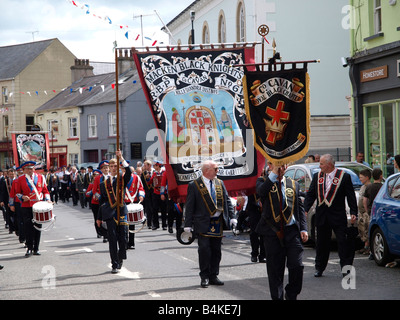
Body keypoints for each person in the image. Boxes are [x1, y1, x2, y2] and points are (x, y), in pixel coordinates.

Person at [256, 162, 308, 300]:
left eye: (284, 166)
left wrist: (303, 228)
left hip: (292, 231)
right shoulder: (263, 182)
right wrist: (273, 174)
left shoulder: (293, 184)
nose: (282, 169)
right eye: (279, 165)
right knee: (275, 271)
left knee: (297, 266)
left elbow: (299, 208)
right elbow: (261, 193)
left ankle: (291, 294)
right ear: (270, 165)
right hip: (272, 232)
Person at [184, 160, 237, 288]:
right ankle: (204, 276)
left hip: (217, 222)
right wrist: (187, 224)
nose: (218, 171)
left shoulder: (220, 183)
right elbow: (190, 206)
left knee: (216, 251)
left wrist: (232, 217)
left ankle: (214, 275)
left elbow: (227, 201)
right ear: (207, 170)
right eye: (216, 169)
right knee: (204, 250)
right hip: (202, 223)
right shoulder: (194, 185)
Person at [304, 154, 357, 277]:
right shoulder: (317, 176)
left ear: (329, 164)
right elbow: (311, 194)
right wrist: (305, 209)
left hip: (338, 216)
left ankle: (346, 269)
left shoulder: (344, 177)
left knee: (343, 243)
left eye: (322, 164)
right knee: (321, 244)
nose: (319, 166)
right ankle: (319, 268)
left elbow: (350, 196)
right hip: (322, 216)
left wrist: (354, 212)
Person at [96, 151, 132, 274]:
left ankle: (120, 257)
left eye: (115, 166)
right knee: (112, 239)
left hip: (121, 211)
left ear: (119, 167)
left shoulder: (123, 179)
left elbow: (129, 172)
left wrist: (121, 157)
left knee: (123, 239)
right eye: (111, 166)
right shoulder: (104, 184)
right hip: (109, 214)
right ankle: (114, 264)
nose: (113, 168)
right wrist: (99, 217)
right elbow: (102, 201)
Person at [11, 161, 51, 257]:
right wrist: (22, 197)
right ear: (24, 170)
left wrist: (48, 199)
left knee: (38, 227)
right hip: (26, 206)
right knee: (28, 227)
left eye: (31, 168)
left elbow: (45, 190)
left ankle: (36, 248)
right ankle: (29, 247)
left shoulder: (41, 177)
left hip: (38, 206)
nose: (30, 170)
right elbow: (17, 193)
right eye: (28, 169)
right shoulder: (20, 179)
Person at [357, 169, 371, 255]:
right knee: (362, 229)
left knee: (366, 229)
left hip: (366, 212)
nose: (360, 179)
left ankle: (367, 247)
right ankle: (365, 246)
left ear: (367, 177)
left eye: (361, 177)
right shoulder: (362, 187)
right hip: (361, 212)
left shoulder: (369, 187)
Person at [150, 160, 167, 230]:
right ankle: (155, 224)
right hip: (156, 193)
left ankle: (164, 225)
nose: (154, 167)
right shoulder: (154, 173)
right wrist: (148, 178)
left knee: (164, 210)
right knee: (155, 209)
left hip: (163, 193)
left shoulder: (164, 172)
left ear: (159, 166)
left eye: (155, 165)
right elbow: (150, 181)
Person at [140, 160, 153, 229]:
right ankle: (149, 223)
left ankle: (154, 222)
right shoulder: (143, 174)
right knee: (148, 208)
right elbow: (142, 184)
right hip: (147, 193)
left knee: (153, 208)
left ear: (149, 165)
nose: (144, 167)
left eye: (145, 165)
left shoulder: (153, 172)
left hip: (154, 192)